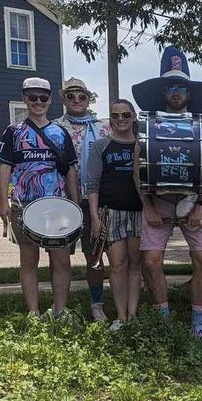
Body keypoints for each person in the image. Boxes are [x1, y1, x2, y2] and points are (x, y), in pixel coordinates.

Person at [132, 45, 202, 341]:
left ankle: (197, 322)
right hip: (158, 203)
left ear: (189, 92)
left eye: (181, 86)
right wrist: (147, 206)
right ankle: (164, 320)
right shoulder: (148, 124)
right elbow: (139, 167)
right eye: (170, 86)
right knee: (151, 261)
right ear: (163, 91)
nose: (176, 91)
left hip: (193, 203)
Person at [0, 77, 80, 317]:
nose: (38, 102)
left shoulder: (60, 133)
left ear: (50, 100)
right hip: (24, 204)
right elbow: (4, 167)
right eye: (33, 97)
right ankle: (33, 312)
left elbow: (70, 169)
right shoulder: (13, 132)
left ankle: (60, 310)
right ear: (25, 99)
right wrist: (2, 202)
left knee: (61, 261)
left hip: (57, 206)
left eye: (43, 97)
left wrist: (76, 202)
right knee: (29, 261)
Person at [85, 99, 146, 329]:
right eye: (115, 115)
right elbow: (92, 185)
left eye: (125, 115)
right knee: (117, 265)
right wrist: (94, 216)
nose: (120, 120)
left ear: (133, 117)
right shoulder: (101, 146)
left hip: (138, 212)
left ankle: (133, 315)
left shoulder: (142, 145)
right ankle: (121, 316)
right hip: (110, 212)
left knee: (135, 265)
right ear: (110, 118)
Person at [54, 77, 108, 321]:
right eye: (71, 95)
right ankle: (60, 306)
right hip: (62, 201)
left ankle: (97, 303)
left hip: (95, 201)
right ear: (62, 98)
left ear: (89, 98)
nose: (76, 100)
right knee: (61, 256)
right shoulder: (54, 128)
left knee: (94, 255)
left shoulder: (103, 128)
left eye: (82, 96)